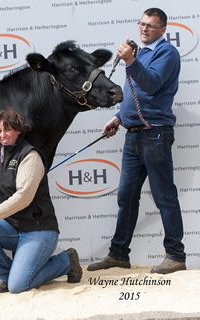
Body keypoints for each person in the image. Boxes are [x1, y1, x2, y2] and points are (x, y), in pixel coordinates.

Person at [87, 7, 186, 274]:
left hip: (155, 134)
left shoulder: (167, 53)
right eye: (142, 24)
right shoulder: (141, 54)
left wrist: (131, 60)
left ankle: (176, 255)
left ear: (162, 30)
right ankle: (119, 255)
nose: (144, 29)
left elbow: (152, 84)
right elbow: (136, 93)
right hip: (133, 135)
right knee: (126, 196)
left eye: (151, 26)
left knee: (164, 195)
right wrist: (119, 117)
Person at [0, 108, 82, 294]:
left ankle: (66, 261)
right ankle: (5, 276)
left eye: (7, 129)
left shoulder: (30, 156)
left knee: (18, 287)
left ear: (18, 130)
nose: (3, 135)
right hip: (15, 229)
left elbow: (23, 198)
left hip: (39, 230)